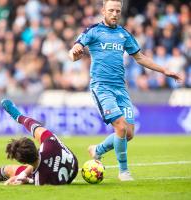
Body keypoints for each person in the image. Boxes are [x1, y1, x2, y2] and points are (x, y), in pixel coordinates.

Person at [69, 0, 182, 181]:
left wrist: (164, 70)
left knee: (128, 133)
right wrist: (74, 52)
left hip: (121, 89)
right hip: (102, 87)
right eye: (111, 10)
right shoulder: (93, 31)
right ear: (103, 10)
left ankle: (97, 150)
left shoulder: (123, 34)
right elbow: (75, 49)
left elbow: (140, 57)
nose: (114, 14)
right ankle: (124, 172)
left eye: (118, 11)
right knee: (120, 127)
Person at [0, 99, 78, 186]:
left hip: (54, 174)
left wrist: (19, 179)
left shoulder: (39, 180)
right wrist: (24, 175)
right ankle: (18, 116)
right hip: (73, 166)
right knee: (37, 129)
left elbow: (32, 178)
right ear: (35, 147)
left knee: (9, 170)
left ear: (23, 162)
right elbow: (34, 125)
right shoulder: (50, 143)